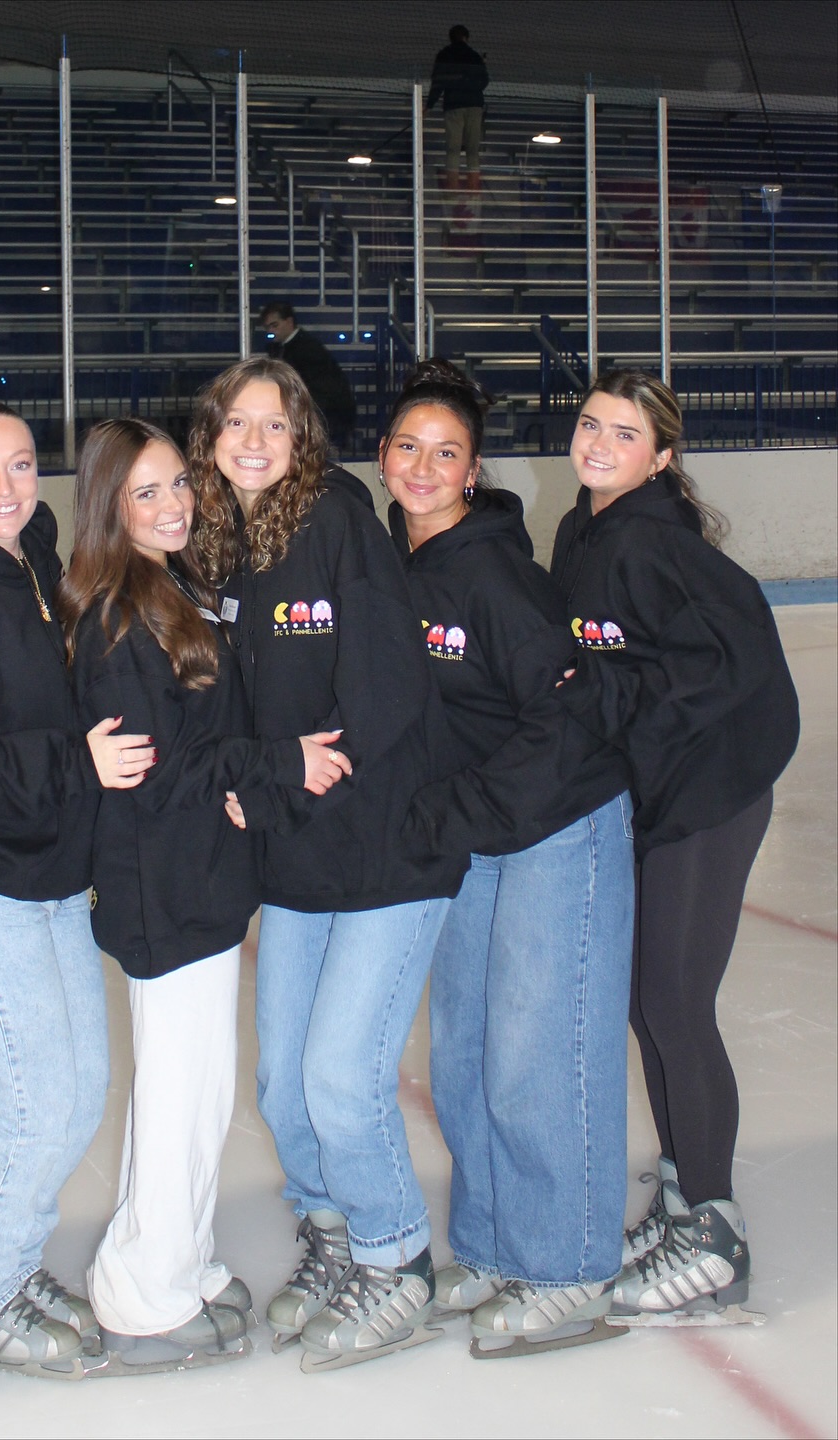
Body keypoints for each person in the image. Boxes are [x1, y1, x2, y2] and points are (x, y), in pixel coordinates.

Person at [188, 356, 468, 1372]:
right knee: (284, 1082)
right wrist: (249, 780)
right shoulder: (222, 548)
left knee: (344, 1078)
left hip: (390, 844)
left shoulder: (337, 520)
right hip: (299, 853)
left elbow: (387, 695)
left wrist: (299, 781)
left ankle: (398, 1264)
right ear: (210, 439)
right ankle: (337, 1232)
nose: (255, 443)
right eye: (236, 426)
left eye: (276, 425)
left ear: (303, 438)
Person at [59, 418, 352, 1374]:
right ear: (111, 506)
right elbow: (154, 768)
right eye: (146, 493)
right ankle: (144, 1296)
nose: (174, 504)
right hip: (165, 888)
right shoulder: (115, 615)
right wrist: (276, 762)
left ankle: (176, 1261)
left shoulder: (177, 587)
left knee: (198, 1092)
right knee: (182, 1092)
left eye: (178, 485)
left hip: (201, 880)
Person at [0, 400, 155, 1378]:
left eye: (18, 466)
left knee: (78, 1086)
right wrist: (76, 758)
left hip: (40, 870)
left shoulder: (29, 558)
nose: (6, 489)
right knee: (38, 1095)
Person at [383, 360, 635, 1357]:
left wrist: (474, 808)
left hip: (556, 830)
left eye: (447, 452)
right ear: (386, 456)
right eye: (409, 447)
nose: (424, 466)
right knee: (469, 1055)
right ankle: (492, 1245)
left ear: (473, 469)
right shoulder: (395, 567)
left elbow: (574, 713)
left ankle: (569, 1266)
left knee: (542, 1052)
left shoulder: (493, 576)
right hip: (480, 834)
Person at [551, 370, 800, 1326]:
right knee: (648, 1008)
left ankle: (718, 1236)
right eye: (589, 425)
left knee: (673, 1005)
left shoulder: (654, 544)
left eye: (625, 433)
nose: (600, 443)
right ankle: (689, 1195)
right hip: (664, 794)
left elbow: (741, 665)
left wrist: (645, 738)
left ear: (660, 457)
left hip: (712, 795)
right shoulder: (586, 530)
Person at [259, 303, 358, 444]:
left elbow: (319, 388)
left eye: (274, 325)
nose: (271, 331)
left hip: (326, 417)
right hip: (323, 415)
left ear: (289, 322)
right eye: (268, 327)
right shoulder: (296, 345)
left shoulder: (305, 348)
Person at [426, 24, 489, 190]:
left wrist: (429, 105)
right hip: (474, 105)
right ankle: (473, 187)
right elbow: (484, 81)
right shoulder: (474, 56)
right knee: (472, 150)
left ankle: (452, 188)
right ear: (466, 38)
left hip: (453, 105)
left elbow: (437, 83)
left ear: (450, 38)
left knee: (453, 149)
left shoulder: (444, 55)